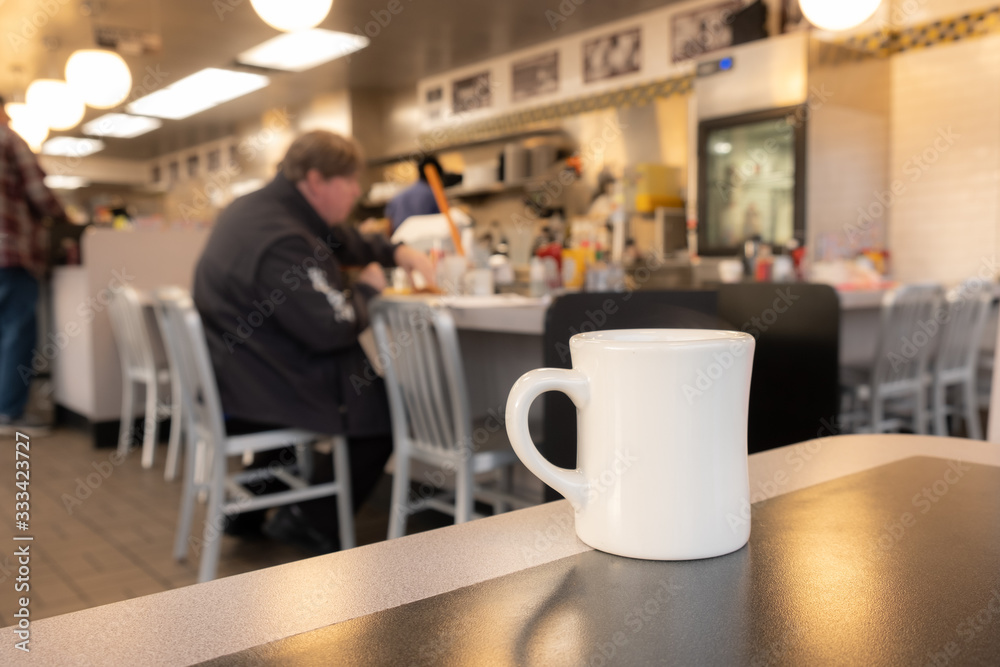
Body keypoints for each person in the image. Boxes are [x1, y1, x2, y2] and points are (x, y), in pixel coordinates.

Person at [193, 130, 434, 551]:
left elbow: (339, 240)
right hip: (257, 386)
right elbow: (332, 327)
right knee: (384, 410)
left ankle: (246, 510)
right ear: (317, 180)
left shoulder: (262, 209)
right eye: (350, 181)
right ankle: (311, 521)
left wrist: (396, 251)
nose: (357, 191)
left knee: (340, 400)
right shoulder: (282, 239)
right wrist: (369, 289)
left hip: (235, 372)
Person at [0, 96, 68, 435]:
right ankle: (9, 412)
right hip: (10, 254)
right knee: (17, 332)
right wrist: (65, 220)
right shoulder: (8, 139)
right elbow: (40, 194)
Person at [385, 154, 460, 231]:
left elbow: (389, 227)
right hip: (429, 237)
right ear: (438, 174)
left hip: (400, 238)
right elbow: (445, 223)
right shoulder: (434, 194)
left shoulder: (397, 197)